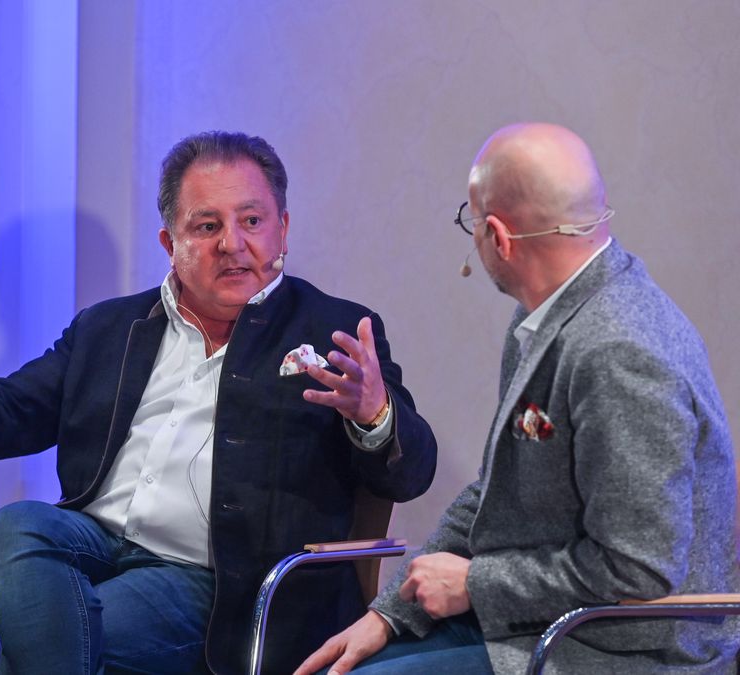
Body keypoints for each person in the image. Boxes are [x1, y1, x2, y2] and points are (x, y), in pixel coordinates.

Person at [0, 131, 438, 674]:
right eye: (207, 226)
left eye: (252, 221)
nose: (233, 245)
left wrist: (372, 415)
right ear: (170, 241)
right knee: (18, 525)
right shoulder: (111, 327)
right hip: (93, 544)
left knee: (44, 640)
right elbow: (5, 412)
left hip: (220, 582)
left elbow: (412, 471)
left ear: (282, 228)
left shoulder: (335, 330)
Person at [296, 123, 739, 675]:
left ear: (499, 238)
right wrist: (388, 614)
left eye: (471, 222)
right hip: (540, 616)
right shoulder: (542, 313)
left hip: (622, 647)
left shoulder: (620, 350)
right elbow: (495, 489)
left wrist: (474, 584)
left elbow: (640, 570)